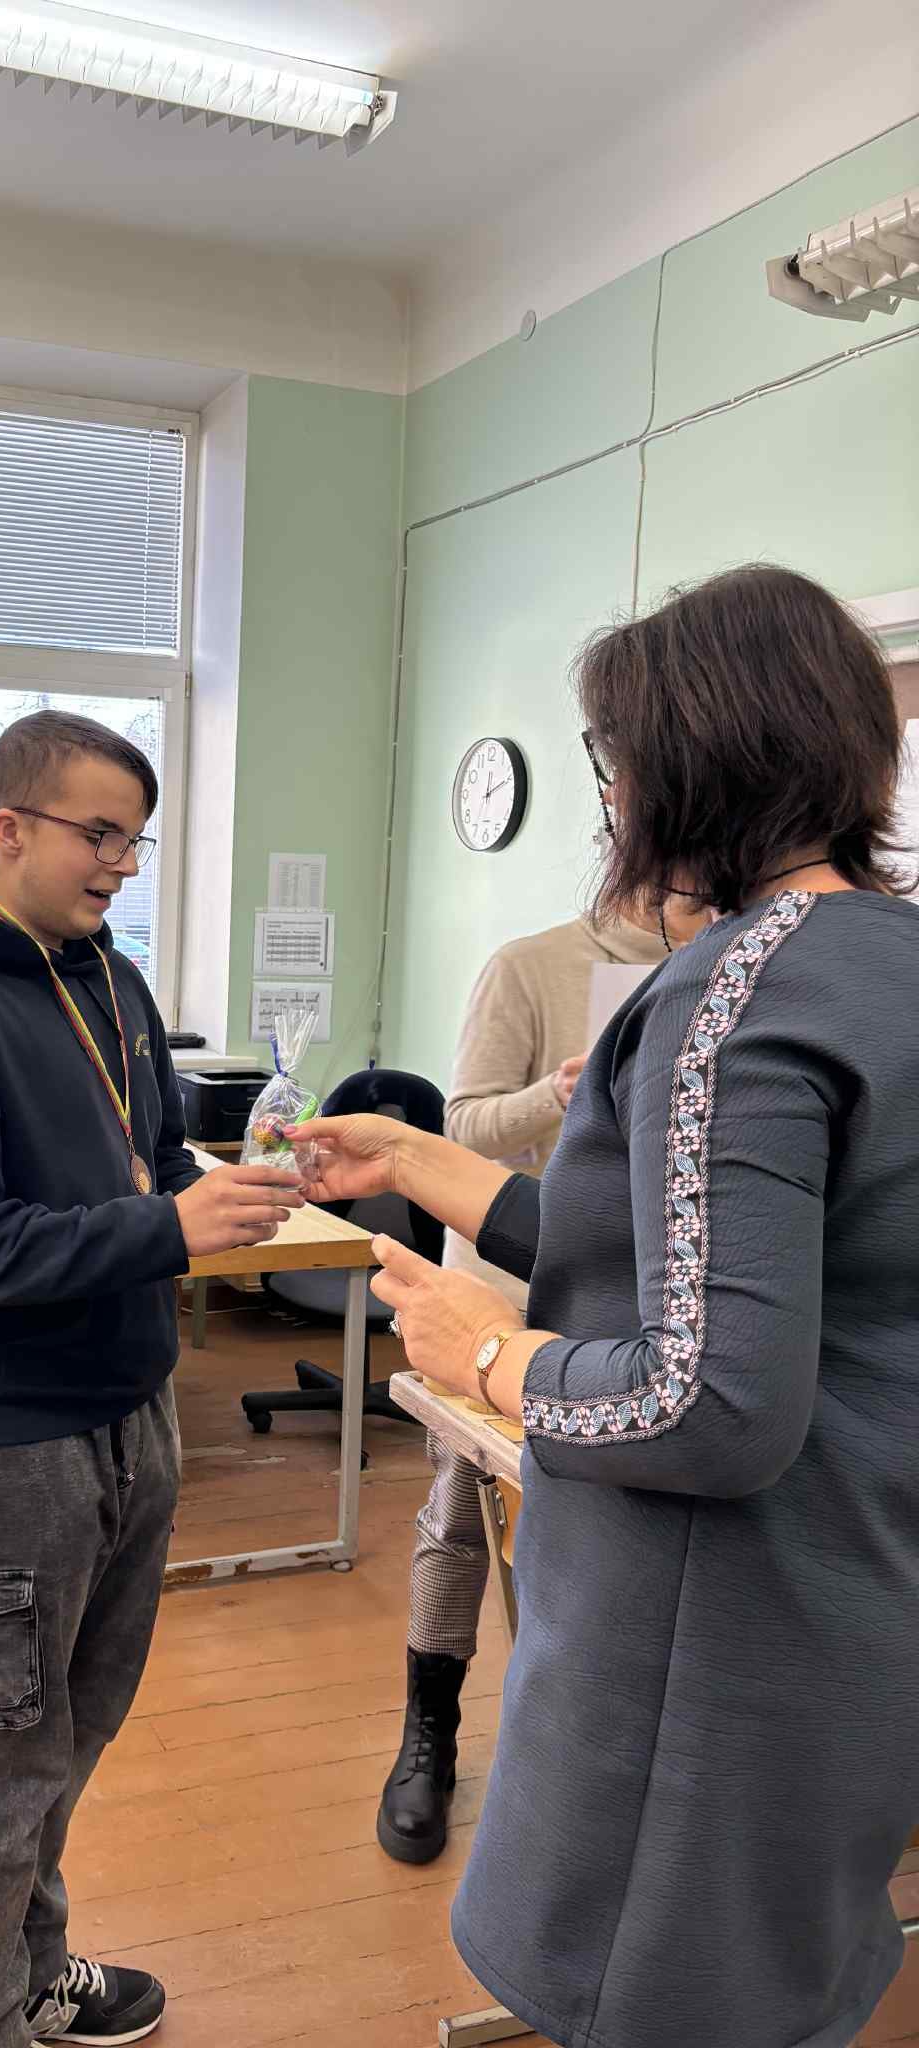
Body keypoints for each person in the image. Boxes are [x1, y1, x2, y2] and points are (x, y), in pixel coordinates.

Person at [294, 566, 919, 2048]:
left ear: (686, 759)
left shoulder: (734, 993)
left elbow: (706, 1400)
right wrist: (421, 1162)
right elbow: (692, 1250)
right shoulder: (887, 963)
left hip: (710, 1654)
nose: (613, 793)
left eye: (615, 756)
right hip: (856, 1605)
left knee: (663, 2000)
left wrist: (489, 1354)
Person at [0, 711, 303, 2048]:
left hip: (128, 1414)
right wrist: (169, 1228)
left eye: (136, 839)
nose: (124, 863)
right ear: (7, 829)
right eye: (100, 834)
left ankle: (31, 1969)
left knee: (68, 1732)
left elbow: (157, 1163)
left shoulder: (108, 976)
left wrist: (241, 1183)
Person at [379, 904, 678, 1864]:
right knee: (461, 1516)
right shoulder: (531, 965)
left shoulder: (718, 962)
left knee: (607, 1536)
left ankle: (580, 1750)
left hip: (633, 1305)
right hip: (505, 1289)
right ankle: (429, 1733)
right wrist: (557, 1095)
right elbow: (462, 1123)